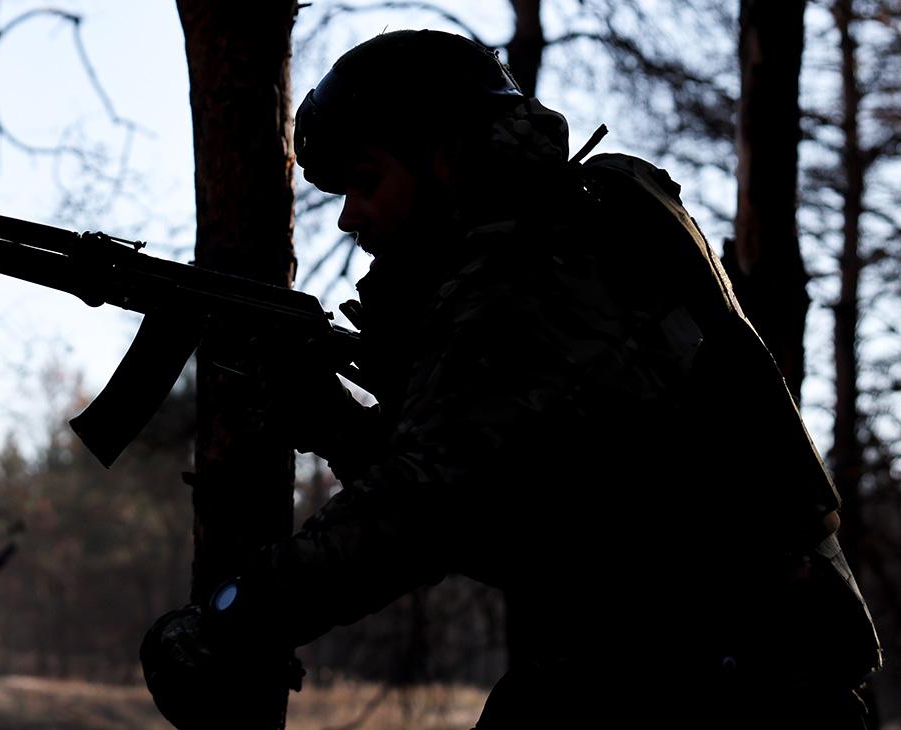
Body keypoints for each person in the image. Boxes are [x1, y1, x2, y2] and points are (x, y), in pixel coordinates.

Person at [140, 29, 882, 728]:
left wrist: (225, 624)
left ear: (447, 159)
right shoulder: (572, 230)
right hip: (708, 667)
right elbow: (508, 518)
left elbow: (412, 515)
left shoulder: (527, 274)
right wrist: (339, 424)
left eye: (367, 180)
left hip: (724, 683)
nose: (349, 218)